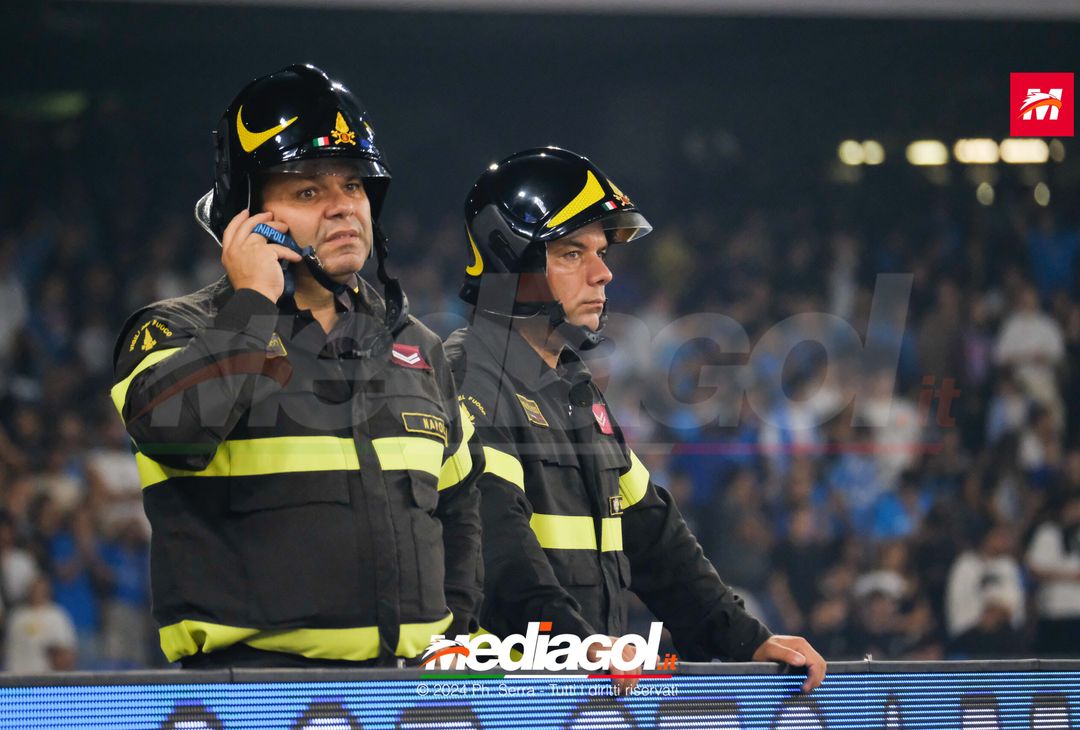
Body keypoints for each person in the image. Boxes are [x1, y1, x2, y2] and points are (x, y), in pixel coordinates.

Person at [110, 64, 482, 667]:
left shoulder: (417, 345)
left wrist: (454, 636)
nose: (343, 208)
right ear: (247, 214)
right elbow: (173, 433)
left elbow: (461, 508)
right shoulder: (175, 329)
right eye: (308, 191)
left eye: (354, 186)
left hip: (408, 691)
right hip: (251, 696)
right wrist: (253, 301)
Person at [444, 147, 826, 691]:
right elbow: (496, 549)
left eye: (600, 253)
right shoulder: (468, 376)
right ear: (512, 260)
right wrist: (574, 644)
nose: (603, 273)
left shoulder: (576, 388)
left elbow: (654, 534)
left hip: (581, 693)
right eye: (573, 253)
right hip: (498, 699)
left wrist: (745, 637)